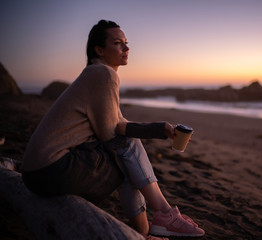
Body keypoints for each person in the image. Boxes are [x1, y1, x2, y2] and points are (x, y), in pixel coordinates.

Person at [21, 20, 205, 239]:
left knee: (126, 150)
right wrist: (144, 135)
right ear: (99, 50)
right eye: (118, 43)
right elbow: (112, 134)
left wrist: (160, 129)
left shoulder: (95, 74)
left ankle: (151, 227)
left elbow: (118, 123)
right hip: (52, 170)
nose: (126, 48)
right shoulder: (103, 74)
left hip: (36, 172)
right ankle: (162, 216)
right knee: (125, 155)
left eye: (126, 43)